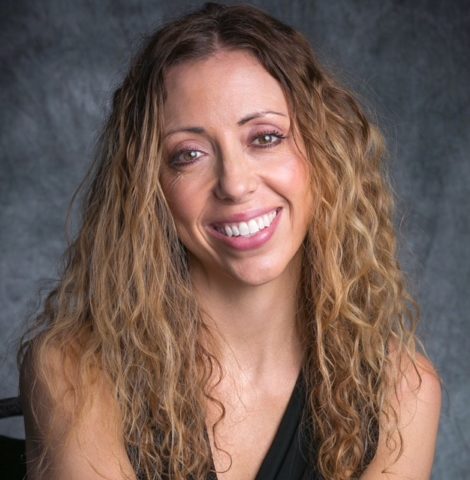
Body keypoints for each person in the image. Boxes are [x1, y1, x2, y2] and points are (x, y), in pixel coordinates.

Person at [18, 2, 442, 479]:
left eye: (264, 137)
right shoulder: (75, 369)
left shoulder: (403, 391)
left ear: (326, 153)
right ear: (148, 188)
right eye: (189, 154)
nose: (235, 184)